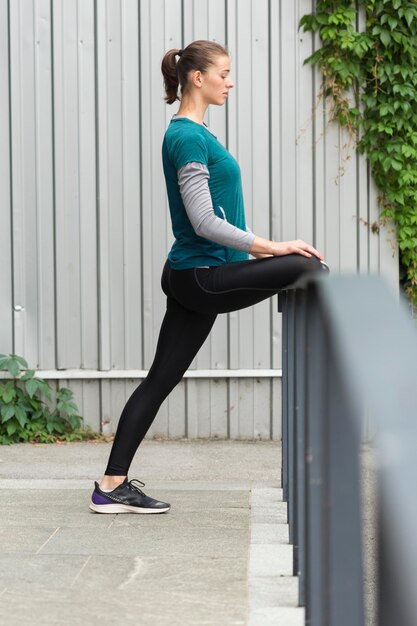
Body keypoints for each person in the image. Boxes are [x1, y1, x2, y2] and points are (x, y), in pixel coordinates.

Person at [89, 40, 327, 515]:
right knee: (304, 266)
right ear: (197, 78)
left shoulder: (196, 132)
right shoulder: (187, 137)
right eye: (225, 73)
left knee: (159, 380)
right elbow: (204, 221)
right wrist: (272, 245)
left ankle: (110, 486)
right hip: (200, 275)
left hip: (192, 272)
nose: (231, 82)